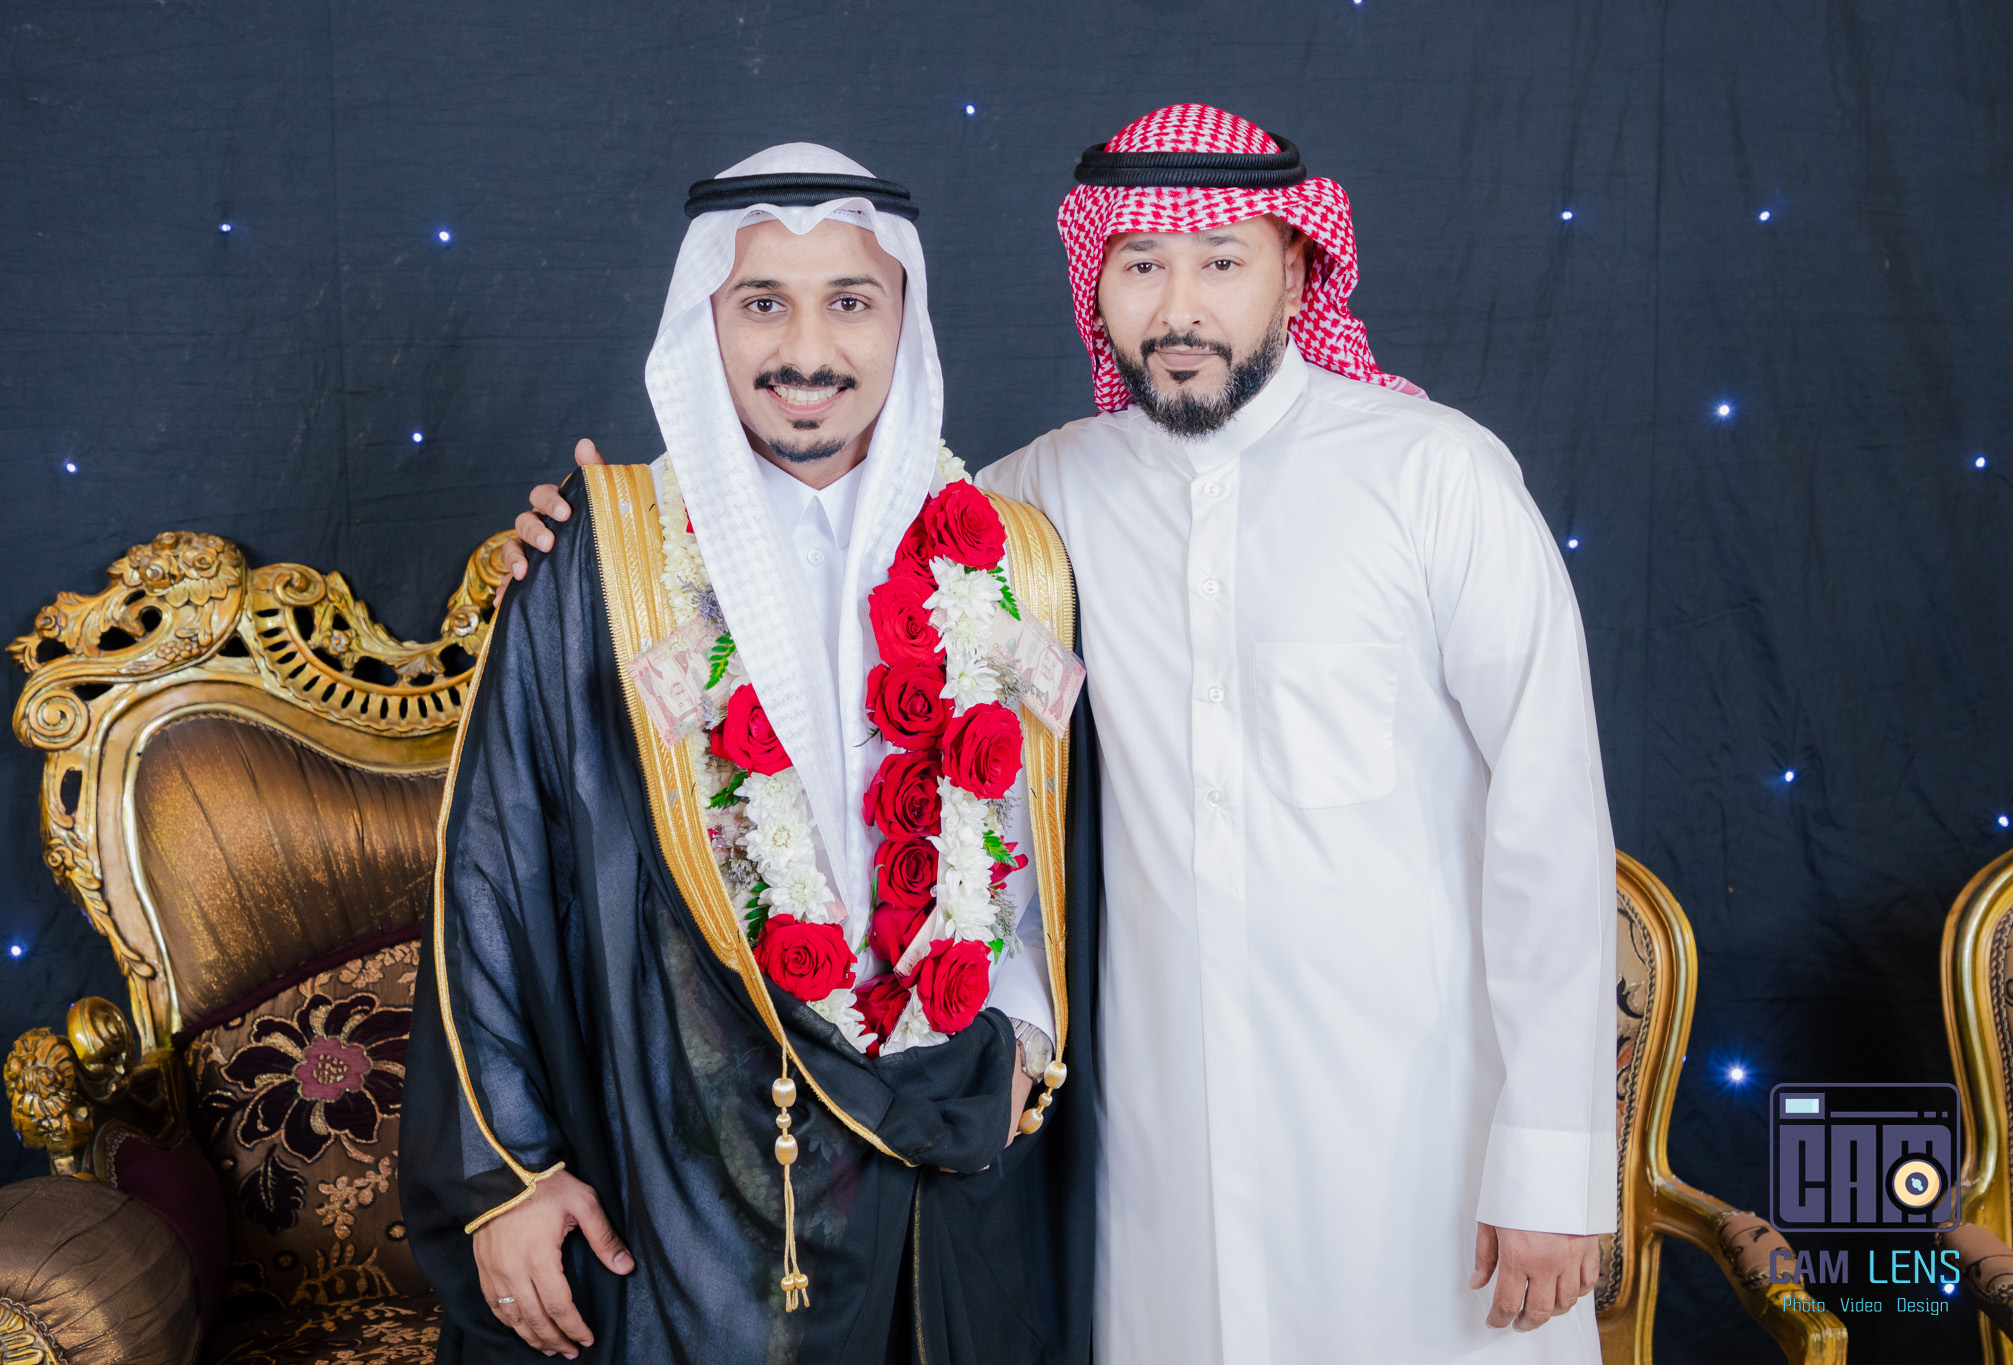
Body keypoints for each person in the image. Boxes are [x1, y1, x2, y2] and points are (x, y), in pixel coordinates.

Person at [514, 106, 1614, 1364]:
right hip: (1152, 1156)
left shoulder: (1438, 479)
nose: (1178, 309)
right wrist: (585, 544)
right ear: (1096, 281)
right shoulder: (1026, 504)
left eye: (1219, 262)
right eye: (1140, 265)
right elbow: (809, 575)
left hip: (1412, 1139)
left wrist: (1550, 1161)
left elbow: (1549, 827)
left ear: (1297, 269)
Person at [404, 142, 1100, 1365]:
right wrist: (506, 1175)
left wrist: (1022, 1048)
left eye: (850, 302)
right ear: (704, 324)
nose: (806, 352)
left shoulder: (1011, 560)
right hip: (685, 1170)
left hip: (948, 1158)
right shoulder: (600, 561)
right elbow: (496, 869)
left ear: (902, 322)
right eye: (762, 304)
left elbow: (1048, 858)